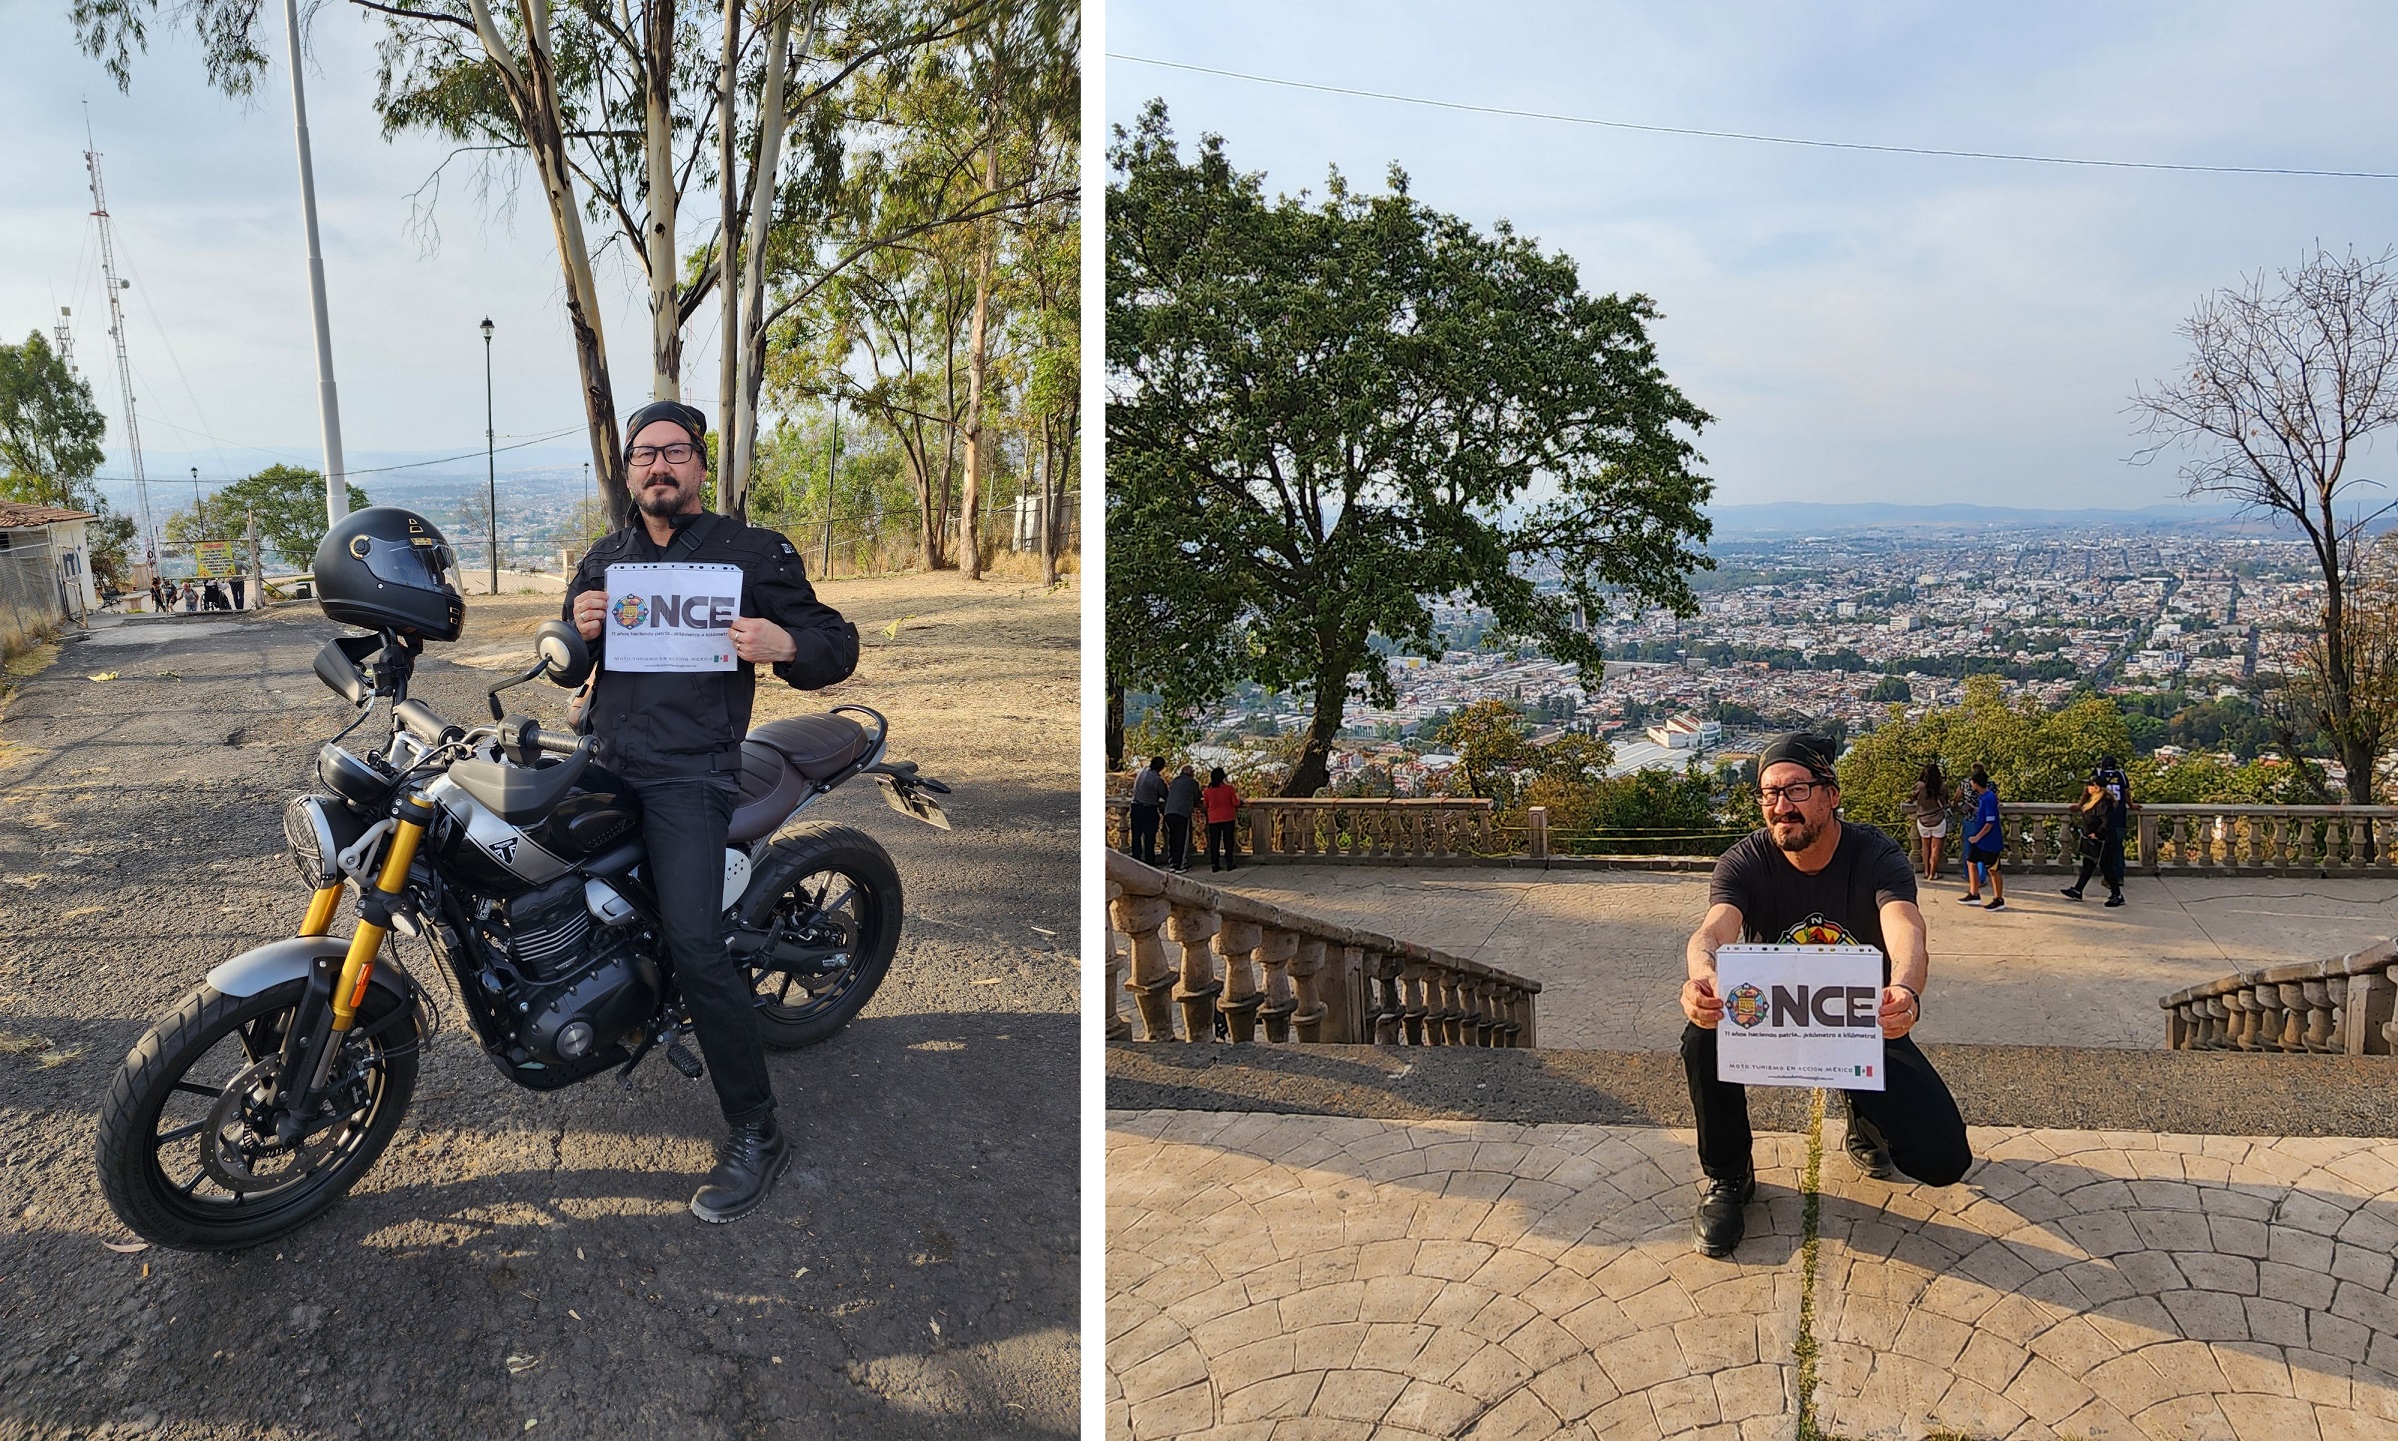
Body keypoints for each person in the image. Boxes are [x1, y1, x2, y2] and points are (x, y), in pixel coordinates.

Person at [566, 398, 859, 1224]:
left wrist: (786, 644)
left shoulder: (751, 552)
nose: (658, 467)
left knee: (697, 941)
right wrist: (575, 630)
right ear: (628, 471)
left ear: (700, 463)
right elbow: (566, 665)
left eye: (674, 453)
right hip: (603, 758)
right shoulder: (605, 558)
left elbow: (837, 641)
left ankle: (757, 1129)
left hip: (691, 773)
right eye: (643, 455)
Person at [1679, 732, 1972, 1258]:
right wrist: (1701, 976)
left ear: (1831, 794)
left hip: (1860, 1021)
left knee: (1943, 1161)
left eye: (1795, 790)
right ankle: (1729, 1174)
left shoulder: (1875, 855)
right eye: (1769, 794)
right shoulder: (1745, 860)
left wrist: (1904, 989)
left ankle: (1864, 1121)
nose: (1780, 807)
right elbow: (1713, 930)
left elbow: (1907, 931)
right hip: (1770, 1016)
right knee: (1701, 1036)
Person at [2063, 756, 2131, 906]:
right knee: (2088, 864)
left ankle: (2117, 895)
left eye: (2089, 786)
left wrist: (2097, 834)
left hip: (2102, 840)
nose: (2087, 788)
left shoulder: (2103, 803)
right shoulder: (2095, 801)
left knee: (2106, 866)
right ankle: (2078, 890)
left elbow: (2107, 822)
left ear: (2096, 788)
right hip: (2092, 839)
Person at [1959, 766, 2005, 910]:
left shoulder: (1988, 798)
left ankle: (1998, 899)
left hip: (1989, 842)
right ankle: (1974, 894)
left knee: (1993, 870)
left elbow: (1990, 823)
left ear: (1976, 783)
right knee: (1971, 862)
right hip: (1979, 841)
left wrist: (1977, 837)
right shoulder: (1984, 797)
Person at [1908, 761, 1951, 882]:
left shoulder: (1920, 786)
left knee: (1925, 846)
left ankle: (1926, 871)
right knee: (1935, 848)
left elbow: (1911, 797)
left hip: (1923, 819)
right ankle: (1933, 873)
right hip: (1938, 819)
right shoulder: (1942, 786)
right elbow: (1946, 801)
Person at [1128, 756, 1167, 866]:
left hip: (1135, 807)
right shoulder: (1157, 780)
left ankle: (1135, 860)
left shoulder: (1142, 771)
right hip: (1148, 809)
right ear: (1161, 767)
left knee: (1136, 835)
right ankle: (1149, 861)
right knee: (1149, 837)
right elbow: (1165, 794)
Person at [1201, 767, 1241, 872]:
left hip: (1213, 818)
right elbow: (1235, 803)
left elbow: (1206, 805)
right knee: (1228, 841)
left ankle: (1215, 863)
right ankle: (1229, 862)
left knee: (1214, 842)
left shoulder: (1207, 791)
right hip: (1228, 817)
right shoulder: (1229, 789)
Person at [1163, 763, 1202, 872]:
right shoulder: (1192, 783)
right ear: (1191, 773)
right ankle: (1181, 864)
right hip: (1182, 813)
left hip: (1169, 812)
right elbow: (1197, 796)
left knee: (1172, 838)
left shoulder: (1175, 781)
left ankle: (1173, 862)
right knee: (1182, 838)